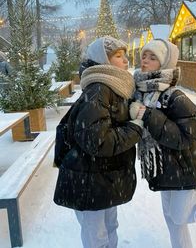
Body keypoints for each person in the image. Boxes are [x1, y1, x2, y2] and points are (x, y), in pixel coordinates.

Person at [129, 39, 196, 248]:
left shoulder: (176, 97)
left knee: (182, 217)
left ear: (164, 64)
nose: (145, 61)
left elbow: (185, 138)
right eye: (144, 55)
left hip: (185, 165)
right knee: (173, 222)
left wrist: (147, 116)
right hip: (164, 168)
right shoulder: (139, 92)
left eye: (153, 57)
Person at [54, 36, 143, 248]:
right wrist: (135, 127)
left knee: (109, 226)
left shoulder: (114, 87)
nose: (126, 61)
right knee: (97, 236)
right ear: (104, 60)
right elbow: (98, 141)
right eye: (118, 56)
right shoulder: (99, 90)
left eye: (125, 55)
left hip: (101, 177)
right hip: (90, 179)